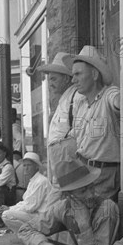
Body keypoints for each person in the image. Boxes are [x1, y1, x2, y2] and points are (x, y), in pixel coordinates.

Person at [63, 46, 120, 200]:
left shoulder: (109, 93)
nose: (73, 80)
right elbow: (74, 139)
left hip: (103, 174)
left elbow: (120, 102)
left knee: (95, 217)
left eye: (78, 74)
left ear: (94, 74)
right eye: (73, 75)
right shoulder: (81, 104)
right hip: (82, 171)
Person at [39, 52, 80, 186]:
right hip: (61, 163)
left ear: (67, 79)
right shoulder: (65, 99)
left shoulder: (76, 96)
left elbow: (81, 129)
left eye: (54, 79)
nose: (50, 84)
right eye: (49, 79)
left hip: (69, 163)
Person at [0, 152, 58, 234]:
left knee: (6, 215)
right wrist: (11, 208)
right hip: (37, 215)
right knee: (7, 213)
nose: (26, 168)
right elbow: (27, 202)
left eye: (29, 165)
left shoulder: (40, 181)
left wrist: (10, 209)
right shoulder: (33, 181)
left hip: (44, 218)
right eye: (24, 165)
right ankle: (28, 234)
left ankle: (31, 234)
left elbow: (30, 207)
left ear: (36, 167)